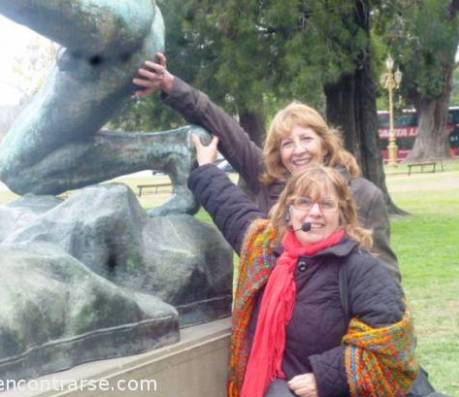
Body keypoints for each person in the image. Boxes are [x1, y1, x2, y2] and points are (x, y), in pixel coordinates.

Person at [187, 136, 418, 397]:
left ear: (342, 214)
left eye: (327, 204)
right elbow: (231, 209)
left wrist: (327, 379)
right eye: (304, 202)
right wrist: (207, 167)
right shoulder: (267, 249)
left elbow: (393, 351)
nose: (315, 213)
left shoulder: (362, 269)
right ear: (288, 210)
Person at [133, 53, 400, 281]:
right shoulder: (269, 179)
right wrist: (170, 84)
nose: (298, 151)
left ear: (325, 143)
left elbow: (385, 275)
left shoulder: (364, 195)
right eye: (287, 143)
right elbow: (225, 128)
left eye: (306, 139)